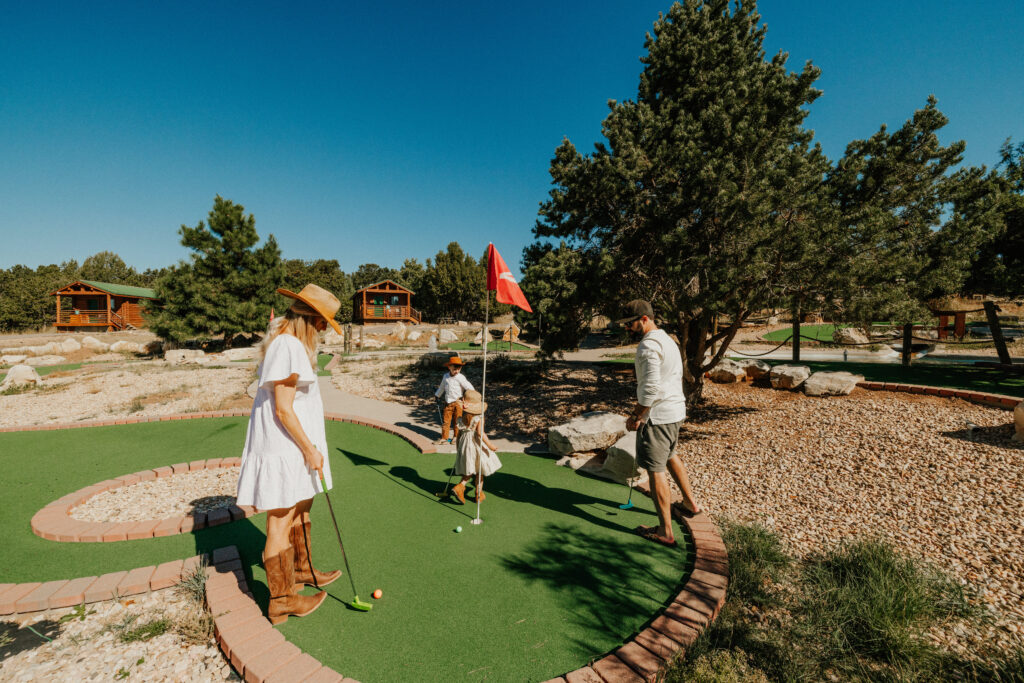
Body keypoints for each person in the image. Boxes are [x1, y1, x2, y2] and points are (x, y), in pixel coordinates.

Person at [236, 283, 343, 625]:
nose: (324, 329)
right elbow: (282, 409)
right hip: (284, 447)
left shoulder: (293, 345)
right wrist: (309, 449)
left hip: (295, 445)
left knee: (300, 507)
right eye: (323, 322)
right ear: (309, 318)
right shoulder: (287, 346)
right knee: (279, 523)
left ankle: (301, 570)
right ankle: (282, 601)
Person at [617, 299, 702, 548]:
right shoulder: (667, 339)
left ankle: (665, 531)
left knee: (656, 469)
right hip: (675, 411)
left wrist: (636, 416)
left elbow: (651, 389)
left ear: (645, 319)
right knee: (671, 455)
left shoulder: (648, 346)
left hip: (658, 416)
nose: (627, 328)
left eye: (630, 323)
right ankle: (690, 504)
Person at [450, 389, 502, 504]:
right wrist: (490, 445)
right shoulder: (479, 417)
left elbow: (459, 435)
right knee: (480, 467)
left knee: (471, 466)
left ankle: (474, 490)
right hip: (475, 443)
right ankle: (468, 489)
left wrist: (458, 448)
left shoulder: (461, 418)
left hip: (465, 443)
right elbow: (480, 433)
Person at [434, 356, 474, 445]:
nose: (456, 371)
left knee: (457, 420)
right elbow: (442, 387)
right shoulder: (446, 376)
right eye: (454, 369)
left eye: (459, 369)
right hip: (448, 402)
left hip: (458, 402)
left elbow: (469, 387)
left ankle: (456, 437)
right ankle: (444, 438)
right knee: (446, 421)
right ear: (449, 367)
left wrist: (471, 395)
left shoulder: (461, 377)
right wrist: (437, 395)